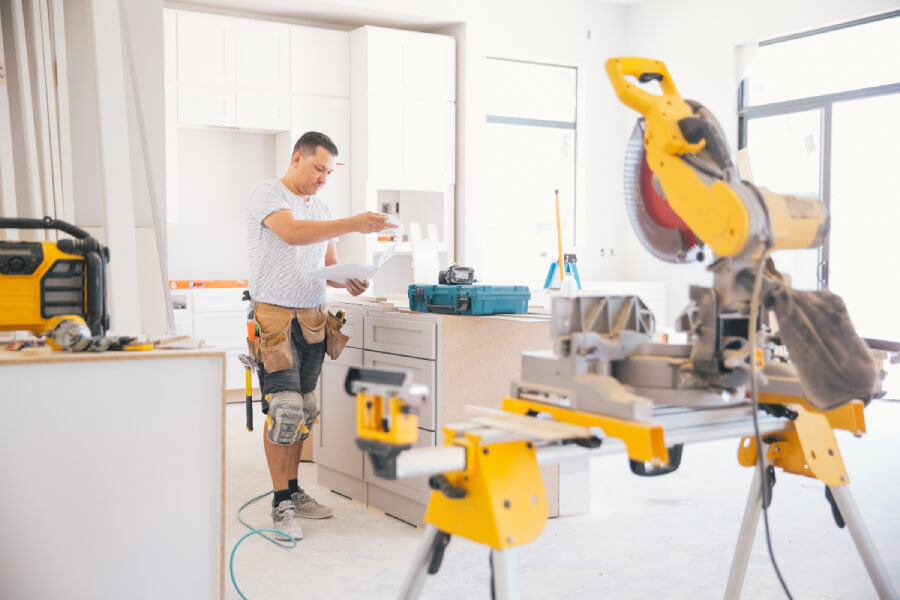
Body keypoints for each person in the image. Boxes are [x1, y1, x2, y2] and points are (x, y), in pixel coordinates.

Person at [246, 131, 395, 540]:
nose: (323, 178)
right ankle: (280, 502)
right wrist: (355, 223)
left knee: (305, 408)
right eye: (318, 168)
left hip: (311, 320)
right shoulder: (268, 195)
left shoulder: (323, 206)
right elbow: (293, 234)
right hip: (274, 318)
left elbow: (327, 262)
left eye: (329, 172)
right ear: (297, 159)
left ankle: (293, 491)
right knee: (286, 409)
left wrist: (349, 280)